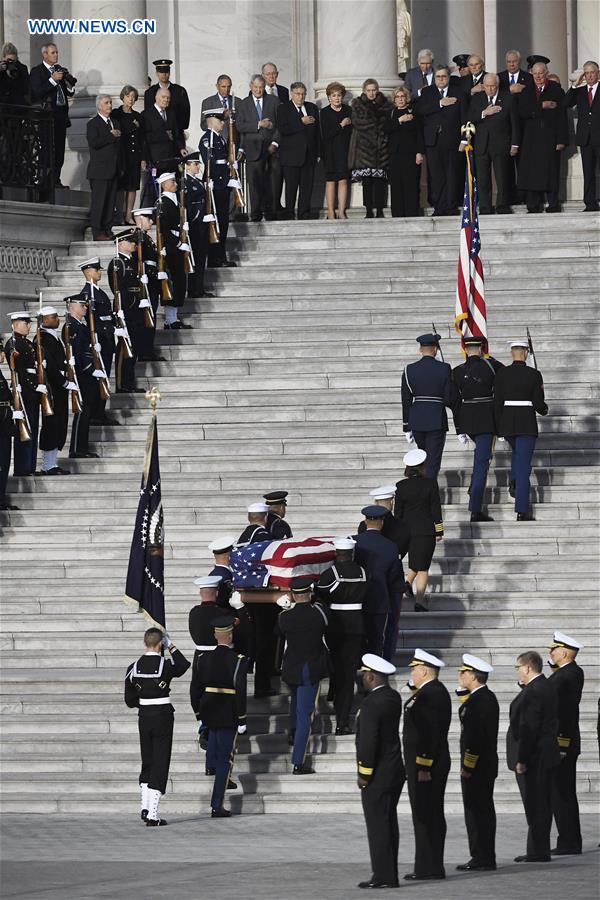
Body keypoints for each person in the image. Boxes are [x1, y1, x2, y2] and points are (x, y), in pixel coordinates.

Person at [124, 627, 190, 826]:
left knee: (148, 760)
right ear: (160, 644)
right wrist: (171, 646)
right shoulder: (165, 665)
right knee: (160, 762)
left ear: (145, 643)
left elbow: (129, 700)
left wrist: (144, 703)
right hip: (162, 716)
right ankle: (153, 815)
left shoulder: (132, 667)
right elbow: (184, 664)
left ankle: (145, 807)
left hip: (144, 716)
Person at [355, 653, 406, 889]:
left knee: (378, 825)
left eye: (364, 675)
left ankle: (384, 876)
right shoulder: (392, 696)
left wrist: (364, 773)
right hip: (394, 770)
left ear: (371, 677)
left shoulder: (371, 703)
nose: (362, 679)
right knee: (387, 823)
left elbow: (368, 741)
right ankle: (387, 872)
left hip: (378, 774)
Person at [190, 615, 247, 817]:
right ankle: (217, 805)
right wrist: (242, 719)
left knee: (214, 741)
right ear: (230, 636)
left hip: (209, 709)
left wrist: (198, 711)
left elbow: (194, 688)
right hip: (228, 711)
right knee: (226, 759)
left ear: (215, 635)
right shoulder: (238, 660)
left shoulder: (203, 659)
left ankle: (210, 765)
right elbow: (240, 691)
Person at [507, 650, 561, 862]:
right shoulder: (544, 686)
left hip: (535, 757)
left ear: (528, 667)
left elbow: (528, 728)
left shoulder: (534, 691)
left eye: (518, 667)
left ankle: (538, 851)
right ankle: (537, 849)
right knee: (540, 804)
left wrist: (522, 759)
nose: (517, 672)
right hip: (544, 753)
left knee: (536, 804)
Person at [403, 648, 451, 881]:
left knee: (426, 814)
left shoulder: (431, 695)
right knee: (425, 813)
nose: (412, 672)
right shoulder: (429, 691)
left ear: (423, 670)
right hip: (426, 763)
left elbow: (428, 733)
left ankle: (429, 866)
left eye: (414, 669)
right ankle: (426, 864)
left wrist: (423, 766)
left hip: (426, 765)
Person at [278, 576, 330, 775]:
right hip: (311, 667)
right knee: (305, 715)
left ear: (292, 595)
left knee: (295, 703)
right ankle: (298, 761)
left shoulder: (284, 616)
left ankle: (293, 734)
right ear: (309, 593)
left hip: (291, 667)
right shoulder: (319, 613)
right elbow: (328, 620)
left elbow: (279, 630)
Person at [316, 537, 366, 734]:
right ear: (351, 553)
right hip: (357, 624)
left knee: (338, 666)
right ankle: (342, 720)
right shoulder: (362, 572)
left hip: (335, 624)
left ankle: (335, 700)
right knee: (348, 670)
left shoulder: (330, 574)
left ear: (337, 553)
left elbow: (320, 594)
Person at [494, 340, 548, 520]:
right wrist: (544, 409)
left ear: (512, 353)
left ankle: (515, 481)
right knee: (524, 465)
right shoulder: (534, 374)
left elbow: (497, 402)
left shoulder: (502, 374)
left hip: (507, 422)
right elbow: (539, 403)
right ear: (525, 353)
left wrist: (498, 427)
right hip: (526, 422)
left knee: (518, 455)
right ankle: (521, 509)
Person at [455, 653, 499, 872]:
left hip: (478, 767)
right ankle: (483, 855)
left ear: (472, 675)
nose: (459, 675)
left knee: (477, 811)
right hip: (485, 765)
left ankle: (482, 856)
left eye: (463, 672)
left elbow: (475, 738)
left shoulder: (480, 701)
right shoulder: (483, 698)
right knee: (481, 810)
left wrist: (468, 765)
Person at [452, 336, 504, 521]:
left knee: (480, 459)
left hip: (468, 420)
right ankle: (475, 509)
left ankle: (473, 487)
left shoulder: (457, 371)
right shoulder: (491, 366)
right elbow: (505, 378)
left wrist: (459, 424)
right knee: (482, 463)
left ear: (465, 350)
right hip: (486, 421)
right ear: (481, 349)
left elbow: (452, 400)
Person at [357, 485, 407, 660]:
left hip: (361, 592)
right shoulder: (394, 540)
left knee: (362, 633)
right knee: (382, 633)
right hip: (385, 592)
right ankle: (381, 663)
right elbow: (396, 568)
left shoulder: (357, 537)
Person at [548, 631, 585, 856]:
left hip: (563, 743)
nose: (550, 652)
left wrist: (561, 744)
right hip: (563, 742)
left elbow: (566, 712)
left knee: (562, 792)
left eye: (553, 649)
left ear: (564, 652)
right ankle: (569, 839)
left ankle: (569, 841)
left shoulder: (568, 675)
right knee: (561, 792)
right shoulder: (565, 673)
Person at [401, 332, 456, 479]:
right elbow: (448, 397)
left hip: (417, 419)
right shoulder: (444, 368)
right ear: (436, 349)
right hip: (436, 418)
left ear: (420, 349)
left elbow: (406, 399)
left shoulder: (409, 369)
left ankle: (423, 492)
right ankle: (429, 494)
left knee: (422, 459)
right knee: (433, 461)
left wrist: (406, 426)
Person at [394, 448, 443, 611]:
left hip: (407, 531)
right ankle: (419, 602)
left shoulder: (400, 486)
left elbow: (398, 513)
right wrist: (439, 530)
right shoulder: (430, 484)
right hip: (425, 531)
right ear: (422, 466)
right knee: (423, 567)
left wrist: (398, 532)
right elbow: (436, 510)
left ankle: (407, 584)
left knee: (417, 562)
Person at [516, 61, 568, 213]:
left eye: (541, 73)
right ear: (531, 74)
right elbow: (523, 112)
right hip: (531, 138)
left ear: (546, 73)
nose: (538, 76)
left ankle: (553, 204)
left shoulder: (556, 89)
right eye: (535, 73)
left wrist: (561, 140)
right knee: (532, 171)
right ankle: (533, 205)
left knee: (551, 171)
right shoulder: (526, 91)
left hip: (551, 137)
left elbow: (562, 116)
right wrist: (541, 106)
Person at [465, 73, 519, 214]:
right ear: (483, 86)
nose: (490, 89)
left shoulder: (508, 98)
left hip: (501, 144)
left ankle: (502, 206)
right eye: (487, 86)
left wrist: (515, 144)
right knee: (483, 179)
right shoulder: (477, 98)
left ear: (497, 85)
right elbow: (470, 116)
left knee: (502, 177)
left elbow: (515, 123)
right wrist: (484, 112)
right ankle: (485, 207)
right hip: (482, 144)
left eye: (493, 86)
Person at [418, 65, 466, 215]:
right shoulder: (427, 92)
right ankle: (439, 207)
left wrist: (464, 140)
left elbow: (465, 117)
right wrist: (440, 103)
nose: (441, 79)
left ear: (448, 77)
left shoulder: (459, 92)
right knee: (436, 175)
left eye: (444, 76)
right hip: (433, 141)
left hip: (453, 140)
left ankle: (451, 206)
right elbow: (420, 111)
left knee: (452, 174)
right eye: (438, 77)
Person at [29, 43, 75, 187]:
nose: (56, 55)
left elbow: (67, 92)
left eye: (56, 52)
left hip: (60, 117)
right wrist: (52, 80)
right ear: (45, 55)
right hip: (46, 118)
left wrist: (69, 84)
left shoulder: (58, 69)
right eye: (53, 52)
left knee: (60, 150)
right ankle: (45, 180)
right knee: (48, 149)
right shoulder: (37, 71)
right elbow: (36, 92)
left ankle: (56, 179)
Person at [235, 75, 280, 222]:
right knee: (254, 184)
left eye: (261, 87)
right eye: (255, 87)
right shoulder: (243, 104)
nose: (258, 90)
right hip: (252, 149)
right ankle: (255, 214)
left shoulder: (274, 101)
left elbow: (280, 124)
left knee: (271, 183)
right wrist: (258, 124)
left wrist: (275, 142)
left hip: (271, 150)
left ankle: (271, 213)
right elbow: (240, 126)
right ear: (250, 86)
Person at [79, 257, 118, 425]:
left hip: (107, 339)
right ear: (88, 273)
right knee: (98, 377)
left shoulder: (99, 292)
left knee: (105, 375)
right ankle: (96, 413)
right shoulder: (86, 294)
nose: (99, 272)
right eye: (97, 270)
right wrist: (109, 329)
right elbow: (92, 320)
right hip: (98, 339)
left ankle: (100, 411)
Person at [62, 295, 99, 460]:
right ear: (72, 306)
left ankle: (82, 447)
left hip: (87, 373)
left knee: (87, 411)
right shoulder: (71, 326)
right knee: (82, 411)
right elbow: (76, 351)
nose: (85, 309)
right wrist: (90, 368)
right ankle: (77, 448)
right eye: (82, 306)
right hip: (81, 374)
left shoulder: (79, 325)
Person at [276, 82, 320, 220]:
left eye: (303, 94)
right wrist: (301, 122)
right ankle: (289, 212)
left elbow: (317, 133)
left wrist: (318, 153)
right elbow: (284, 129)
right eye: (298, 94)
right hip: (291, 155)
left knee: (307, 187)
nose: (301, 97)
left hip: (309, 155)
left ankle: (304, 213)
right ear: (291, 94)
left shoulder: (312, 107)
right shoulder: (283, 109)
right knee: (291, 187)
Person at [35, 306, 70, 476]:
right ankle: (47, 465)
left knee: (59, 424)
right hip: (52, 387)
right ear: (45, 320)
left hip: (59, 387)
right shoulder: (41, 338)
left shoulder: (52, 336)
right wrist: (63, 381)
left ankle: (52, 463)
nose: (57, 320)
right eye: (54, 317)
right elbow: (49, 366)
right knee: (51, 424)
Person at [107, 230, 144, 393]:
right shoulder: (117, 263)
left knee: (134, 347)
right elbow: (118, 289)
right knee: (124, 348)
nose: (133, 244)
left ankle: (130, 382)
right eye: (130, 242)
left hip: (135, 309)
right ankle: (123, 384)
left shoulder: (133, 261)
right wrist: (120, 309)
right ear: (121, 244)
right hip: (125, 309)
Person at [199, 110, 237, 267]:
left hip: (223, 185)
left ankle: (220, 256)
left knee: (223, 222)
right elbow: (212, 163)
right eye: (220, 120)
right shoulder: (208, 139)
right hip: (216, 185)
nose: (223, 123)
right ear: (211, 120)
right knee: (217, 223)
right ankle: (215, 257)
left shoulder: (219, 138)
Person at [4, 312, 39, 476]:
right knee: (24, 430)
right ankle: (23, 468)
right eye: (26, 323)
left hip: (31, 391)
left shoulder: (25, 343)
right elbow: (18, 371)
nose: (29, 326)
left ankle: (29, 466)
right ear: (15, 323)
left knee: (31, 429)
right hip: (23, 391)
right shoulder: (13, 344)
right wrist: (30, 387)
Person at [349, 78, 390, 218]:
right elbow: (357, 122)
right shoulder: (358, 104)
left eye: (374, 90)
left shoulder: (384, 104)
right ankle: (368, 210)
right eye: (369, 90)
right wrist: (374, 121)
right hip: (364, 147)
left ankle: (379, 209)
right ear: (364, 91)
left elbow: (387, 123)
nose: (371, 93)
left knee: (379, 181)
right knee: (367, 182)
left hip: (380, 148)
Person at [155, 171, 191, 329]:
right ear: (164, 185)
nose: (175, 184)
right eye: (172, 182)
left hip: (179, 241)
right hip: (171, 246)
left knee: (179, 280)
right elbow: (163, 228)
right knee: (172, 282)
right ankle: (170, 319)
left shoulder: (176, 199)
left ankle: (174, 318)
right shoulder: (162, 202)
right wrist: (177, 242)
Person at [564, 61, 600, 212]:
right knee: (588, 172)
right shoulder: (579, 91)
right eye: (586, 73)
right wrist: (574, 86)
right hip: (586, 138)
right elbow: (565, 103)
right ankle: (590, 204)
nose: (589, 75)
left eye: (592, 72)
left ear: (598, 73)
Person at [384, 85, 424, 217]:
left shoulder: (414, 112)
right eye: (397, 97)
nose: (400, 99)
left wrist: (419, 152)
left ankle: (412, 213)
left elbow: (419, 133)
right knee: (396, 184)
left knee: (411, 184)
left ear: (406, 98)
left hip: (411, 154)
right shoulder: (390, 113)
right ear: (394, 99)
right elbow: (386, 129)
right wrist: (400, 120)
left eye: (402, 96)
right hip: (394, 154)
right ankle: (398, 214)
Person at [132, 207, 166, 360]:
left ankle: (148, 349)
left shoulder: (146, 238)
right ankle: (144, 351)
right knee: (145, 318)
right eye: (148, 218)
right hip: (145, 283)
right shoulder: (136, 238)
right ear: (139, 219)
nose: (152, 221)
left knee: (150, 317)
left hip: (152, 282)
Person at [86, 94, 121, 241]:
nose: (110, 105)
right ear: (99, 106)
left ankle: (107, 228)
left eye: (110, 103)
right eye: (106, 103)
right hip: (99, 170)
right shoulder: (93, 124)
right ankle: (97, 231)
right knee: (99, 202)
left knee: (110, 201)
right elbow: (94, 143)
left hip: (114, 169)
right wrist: (110, 135)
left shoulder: (115, 122)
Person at [112, 85, 147, 225]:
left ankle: (128, 215)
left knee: (132, 186)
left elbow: (142, 139)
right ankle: (119, 214)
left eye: (133, 97)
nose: (131, 99)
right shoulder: (116, 114)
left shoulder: (138, 116)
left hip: (134, 156)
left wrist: (143, 158)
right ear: (123, 97)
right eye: (128, 96)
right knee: (120, 186)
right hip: (121, 155)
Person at [320, 82, 352, 219]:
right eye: (334, 95)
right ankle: (331, 211)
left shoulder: (348, 110)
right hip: (330, 151)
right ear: (329, 97)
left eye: (339, 95)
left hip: (345, 150)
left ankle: (341, 211)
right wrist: (341, 125)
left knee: (344, 180)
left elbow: (351, 132)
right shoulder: (325, 112)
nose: (337, 98)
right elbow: (326, 134)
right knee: (331, 181)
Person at [180, 153, 210, 301]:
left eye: (198, 164)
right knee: (195, 256)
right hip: (194, 223)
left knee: (200, 257)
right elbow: (188, 201)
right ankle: (194, 289)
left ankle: (199, 288)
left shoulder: (196, 181)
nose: (198, 166)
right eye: (195, 164)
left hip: (201, 223)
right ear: (187, 165)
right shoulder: (185, 181)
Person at [261, 62, 288, 215]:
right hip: (263, 140)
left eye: (274, 73)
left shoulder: (283, 91)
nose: (271, 76)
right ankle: (266, 205)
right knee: (264, 174)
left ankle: (276, 204)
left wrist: (276, 141)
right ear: (263, 76)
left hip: (279, 139)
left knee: (278, 174)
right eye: (268, 74)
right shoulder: (257, 91)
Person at [141, 88, 185, 172]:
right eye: (163, 97)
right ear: (156, 97)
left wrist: (181, 148)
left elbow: (176, 135)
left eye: (168, 98)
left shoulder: (171, 113)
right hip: (155, 158)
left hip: (171, 158)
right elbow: (145, 137)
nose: (166, 100)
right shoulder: (146, 114)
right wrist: (165, 135)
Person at [144, 58, 190, 136]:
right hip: (156, 134)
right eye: (161, 72)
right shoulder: (150, 92)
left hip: (176, 133)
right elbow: (148, 115)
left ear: (169, 73)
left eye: (166, 71)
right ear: (157, 73)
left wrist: (177, 130)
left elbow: (185, 113)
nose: (164, 74)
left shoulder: (179, 91)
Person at [0, 339, 17, 510]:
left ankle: (2, 498)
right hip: (2, 424)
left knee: (4, 464)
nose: (3, 355)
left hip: (5, 422)